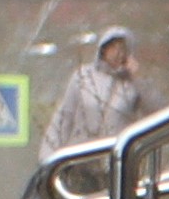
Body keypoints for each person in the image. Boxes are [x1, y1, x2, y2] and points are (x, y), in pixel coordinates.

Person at [39, 27, 153, 162]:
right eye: (113, 47)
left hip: (115, 162)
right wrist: (48, 156)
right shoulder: (83, 77)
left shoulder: (132, 84)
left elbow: (155, 112)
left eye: (122, 49)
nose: (117, 53)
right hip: (81, 158)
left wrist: (138, 78)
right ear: (103, 49)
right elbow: (64, 116)